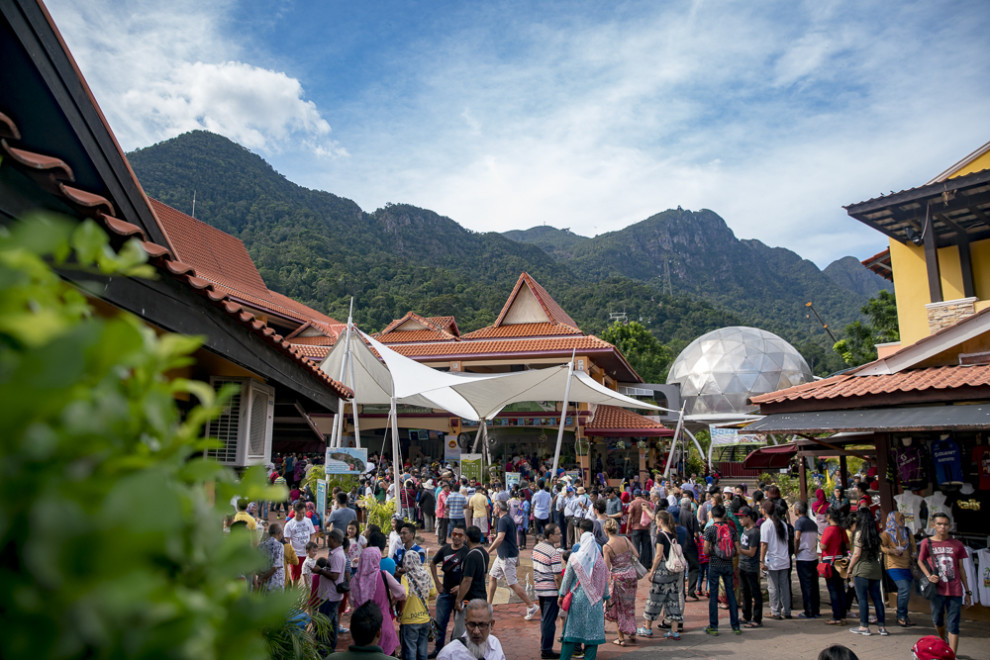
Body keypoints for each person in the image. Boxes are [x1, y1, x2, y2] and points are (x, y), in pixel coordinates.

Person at [918, 512, 973, 655]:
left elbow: (961, 568)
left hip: (955, 589)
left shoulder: (957, 544)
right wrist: (929, 576)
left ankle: (952, 655)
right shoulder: (927, 543)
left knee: (954, 623)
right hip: (937, 590)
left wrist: (967, 591)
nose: (943, 527)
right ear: (933, 525)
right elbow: (920, 561)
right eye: (939, 524)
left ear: (950, 526)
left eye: (945, 524)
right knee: (937, 620)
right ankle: (943, 642)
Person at [558, 523, 609, 660]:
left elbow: (566, 580)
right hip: (595, 602)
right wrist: (607, 598)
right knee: (592, 636)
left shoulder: (574, 559)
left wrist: (561, 595)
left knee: (572, 632)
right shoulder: (600, 562)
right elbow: (604, 583)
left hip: (577, 600)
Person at [486, 500, 540, 619]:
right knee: (492, 576)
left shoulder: (503, 520)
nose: (493, 510)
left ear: (498, 508)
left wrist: (488, 551)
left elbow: (500, 538)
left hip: (506, 556)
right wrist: (496, 537)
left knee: (512, 583)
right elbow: (503, 536)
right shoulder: (508, 519)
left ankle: (531, 606)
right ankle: (488, 605)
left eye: (494, 507)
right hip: (503, 555)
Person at [352, 546, 407, 657]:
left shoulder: (356, 579)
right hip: (383, 623)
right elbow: (402, 593)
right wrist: (392, 601)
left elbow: (353, 601)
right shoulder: (383, 575)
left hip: (362, 626)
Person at [641, 510, 684, 641]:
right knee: (673, 600)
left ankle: (647, 627)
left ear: (660, 521)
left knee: (654, 599)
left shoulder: (661, 535)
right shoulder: (673, 534)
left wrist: (652, 571)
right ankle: (674, 630)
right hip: (673, 571)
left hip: (662, 570)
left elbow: (659, 555)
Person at [847, 507, 887, 637]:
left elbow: (857, 554)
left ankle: (864, 626)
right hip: (875, 569)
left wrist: (849, 568)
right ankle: (882, 626)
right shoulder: (876, 534)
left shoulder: (860, 534)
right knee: (877, 599)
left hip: (862, 570)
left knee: (862, 599)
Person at [430, 523, 469, 657]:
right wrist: (437, 583)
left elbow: (470, 575)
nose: (456, 537)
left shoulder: (467, 552)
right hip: (445, 594)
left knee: (460, 626)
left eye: (460, 535)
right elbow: (432, 563)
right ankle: (438, 649)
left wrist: (461, 587)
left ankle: (454, 650)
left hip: (461, 596)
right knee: (440, 623)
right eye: (454, 534)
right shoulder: (445, 549)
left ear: (464, 537)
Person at [703, 503, 741, 635]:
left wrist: (713, 551)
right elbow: (738, 550)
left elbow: (705, 550)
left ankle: (714, 626)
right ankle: (735, 625)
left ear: (712, 515)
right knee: (731, 594)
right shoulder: (730, 529)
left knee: (713, 596)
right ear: (724, 514)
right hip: (728, 565)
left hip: (714, 564)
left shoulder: (710, 530)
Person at [603, 517, 638, 646]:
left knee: (618, 607)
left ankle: (621, 638)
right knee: (629, 605)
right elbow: (636, 554)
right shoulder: (625, 539)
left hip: (618, 578)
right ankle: (632, 631)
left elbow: (606, 567)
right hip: (631, 575)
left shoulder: (607, 546)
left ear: (606, 530)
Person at [312, 529, 348, 654]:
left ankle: (323, 651)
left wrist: (320, 571)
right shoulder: (336, 553)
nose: (327, 540)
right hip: (330, 595)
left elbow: (335, 576)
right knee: (331, 625)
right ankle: (329, 650)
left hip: (330, 596)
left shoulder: (337, 555)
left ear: (334, 539)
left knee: (324, 626)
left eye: (329, 538)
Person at [532, 522, 564, 659]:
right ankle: (546, 649)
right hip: (550, 591)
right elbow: (557, 576)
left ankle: (544, 647)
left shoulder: (537, 547)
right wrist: (561, 592)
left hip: (539, 588)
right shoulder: (554, 552)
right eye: (558, 533)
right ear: (550, 535)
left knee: (545, 619)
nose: (560, 535)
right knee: (549, 621)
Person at [880, 510, 917, 627]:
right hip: (893, 565)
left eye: (903, 519)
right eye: (900, 519)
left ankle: (904, 616)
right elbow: (881, 547)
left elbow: (913, 545)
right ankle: (901, 615)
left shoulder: (907, 531)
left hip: (907, 565)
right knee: (904, 588)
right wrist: (891, 551)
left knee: (906, 591)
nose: (903, 521)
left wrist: (914, 554)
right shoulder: (886, 534)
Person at [437, 599, 506, 660]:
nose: (476, 631)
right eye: (472, 624)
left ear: (492, 624)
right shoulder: (449, 654)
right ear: (465, 622)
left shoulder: (495, 643)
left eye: (482, 625)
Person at [399, 552, 437, 660]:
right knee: (422, 650)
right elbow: (433, 594)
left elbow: (404, 596)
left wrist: (400, 613)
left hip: (409, 619)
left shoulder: (406, 577)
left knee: (410, 650)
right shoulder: (426, 575)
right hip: (425, 619)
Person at [759, 499, 791, 620]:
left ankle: (775, 611)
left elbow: (764, 544)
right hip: (784, 559)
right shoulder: (783, 524)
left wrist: (761, 560)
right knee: (784, 587)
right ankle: (787, 610)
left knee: (773, 587)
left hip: (772, 561)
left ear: (764, 510)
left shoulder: (766, 525)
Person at [820, 507, 849, 625]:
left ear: (829, 516)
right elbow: (847, 545)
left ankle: (836, 616)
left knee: (833, 590)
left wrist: (820, 540)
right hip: (841, 562)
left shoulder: (829, 530)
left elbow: (823, 546)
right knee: (841, 588)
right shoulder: (842, 530)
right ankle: (843, 614)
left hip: (830, 563)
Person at [793, 500, 821, 619]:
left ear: (797, 510)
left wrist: (795, 550)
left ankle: (809, 610)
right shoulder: (812, 523)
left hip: (803, 557)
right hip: (813, 556)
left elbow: (797, 537)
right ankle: (815, 609)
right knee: (814, 584)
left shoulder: (799, 522)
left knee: (806, 585)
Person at [737, 506, 762, 628]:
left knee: (754, 592)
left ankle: (757, 618)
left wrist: (739, 550)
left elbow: (752, 552)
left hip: (751, 567)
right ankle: (746, 615)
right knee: (745, 591)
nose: (740, 520)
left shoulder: (755, 532)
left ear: (749, 517)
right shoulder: (745, 530)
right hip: (742, 565)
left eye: (742, 517)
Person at [455, 526, 489, 616]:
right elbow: (483, 575)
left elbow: (467, 580)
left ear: (467, 538)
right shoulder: (484, 553)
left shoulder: (471, 556)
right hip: (482, 596)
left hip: (471, 599)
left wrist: (458, 600)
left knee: (467, 623)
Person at [284, 500, 317, 585]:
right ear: (294, 512)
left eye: (303, 513)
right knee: (296, 577)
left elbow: (312, 533)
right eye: (299, 513)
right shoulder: (289, 525)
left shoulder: (308, 521)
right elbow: (287, 540)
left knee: (309, 576)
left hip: (307, 554)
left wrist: (310, 545)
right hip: (296, 555)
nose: (301, 515)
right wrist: (289, 554)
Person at [627, 489, 653, 570]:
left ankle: (636, 565)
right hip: (646, 528)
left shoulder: (633, 503)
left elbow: (630, 516)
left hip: (636, 527)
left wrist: (628, 528)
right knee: (645, 547)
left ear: (634, 495)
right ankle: (645, 565)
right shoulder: (646, 503)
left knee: (635, 547)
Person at [257, 523, 285, 592]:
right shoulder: (279, 546)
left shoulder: (260, 546)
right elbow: (275, 567)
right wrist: (264, 577)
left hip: (263, 585)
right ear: (280, 533)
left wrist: (261, 578)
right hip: (275, 584)